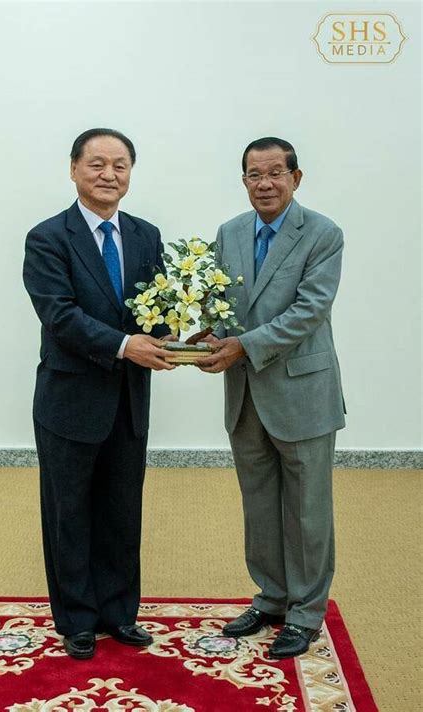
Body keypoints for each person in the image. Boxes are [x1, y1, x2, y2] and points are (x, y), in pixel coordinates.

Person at [23, 128, 174, 659]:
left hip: (130, 400)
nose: (110, 174)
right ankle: (78, 618)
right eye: (97, 164)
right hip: (70, 401)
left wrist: (181, 336)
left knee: (120, 510)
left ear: (131, 173)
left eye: (120, 165)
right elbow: (59, 315)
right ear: (73, 170)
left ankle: (118, 613)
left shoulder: (146, 235)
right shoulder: (47, 238)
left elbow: (157, 310)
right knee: (70, 513)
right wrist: (123, 345)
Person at [198, 137, 345, 659]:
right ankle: (272, 597)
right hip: (244, 396)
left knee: (307, 511)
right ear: (243, 181)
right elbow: (221, 303)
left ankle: (306, 614)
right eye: (254, 175)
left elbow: (310, 311)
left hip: (302, 393)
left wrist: (243, 346)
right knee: (259, 504)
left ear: (296, 178)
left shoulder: (323, 234)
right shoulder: (229, 232)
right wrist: (202, 335)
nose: (265, 183)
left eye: (275, 173)